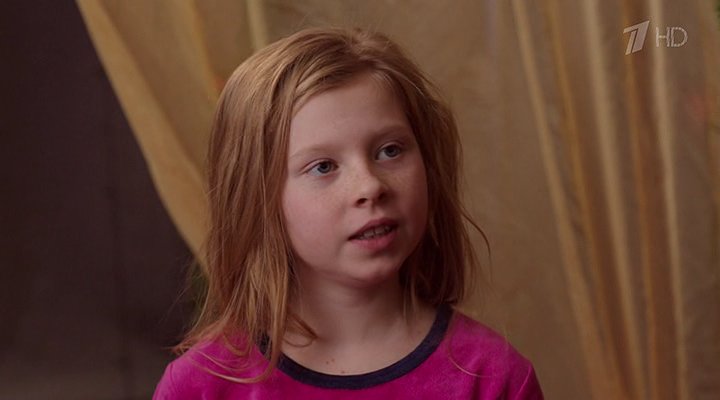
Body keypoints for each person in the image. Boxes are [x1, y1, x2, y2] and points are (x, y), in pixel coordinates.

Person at [153, 26, 543, 399]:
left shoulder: (495, 378)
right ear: (257, 199)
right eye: (323, 166)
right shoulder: (200, 388)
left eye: (389, 150)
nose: (370, 186)